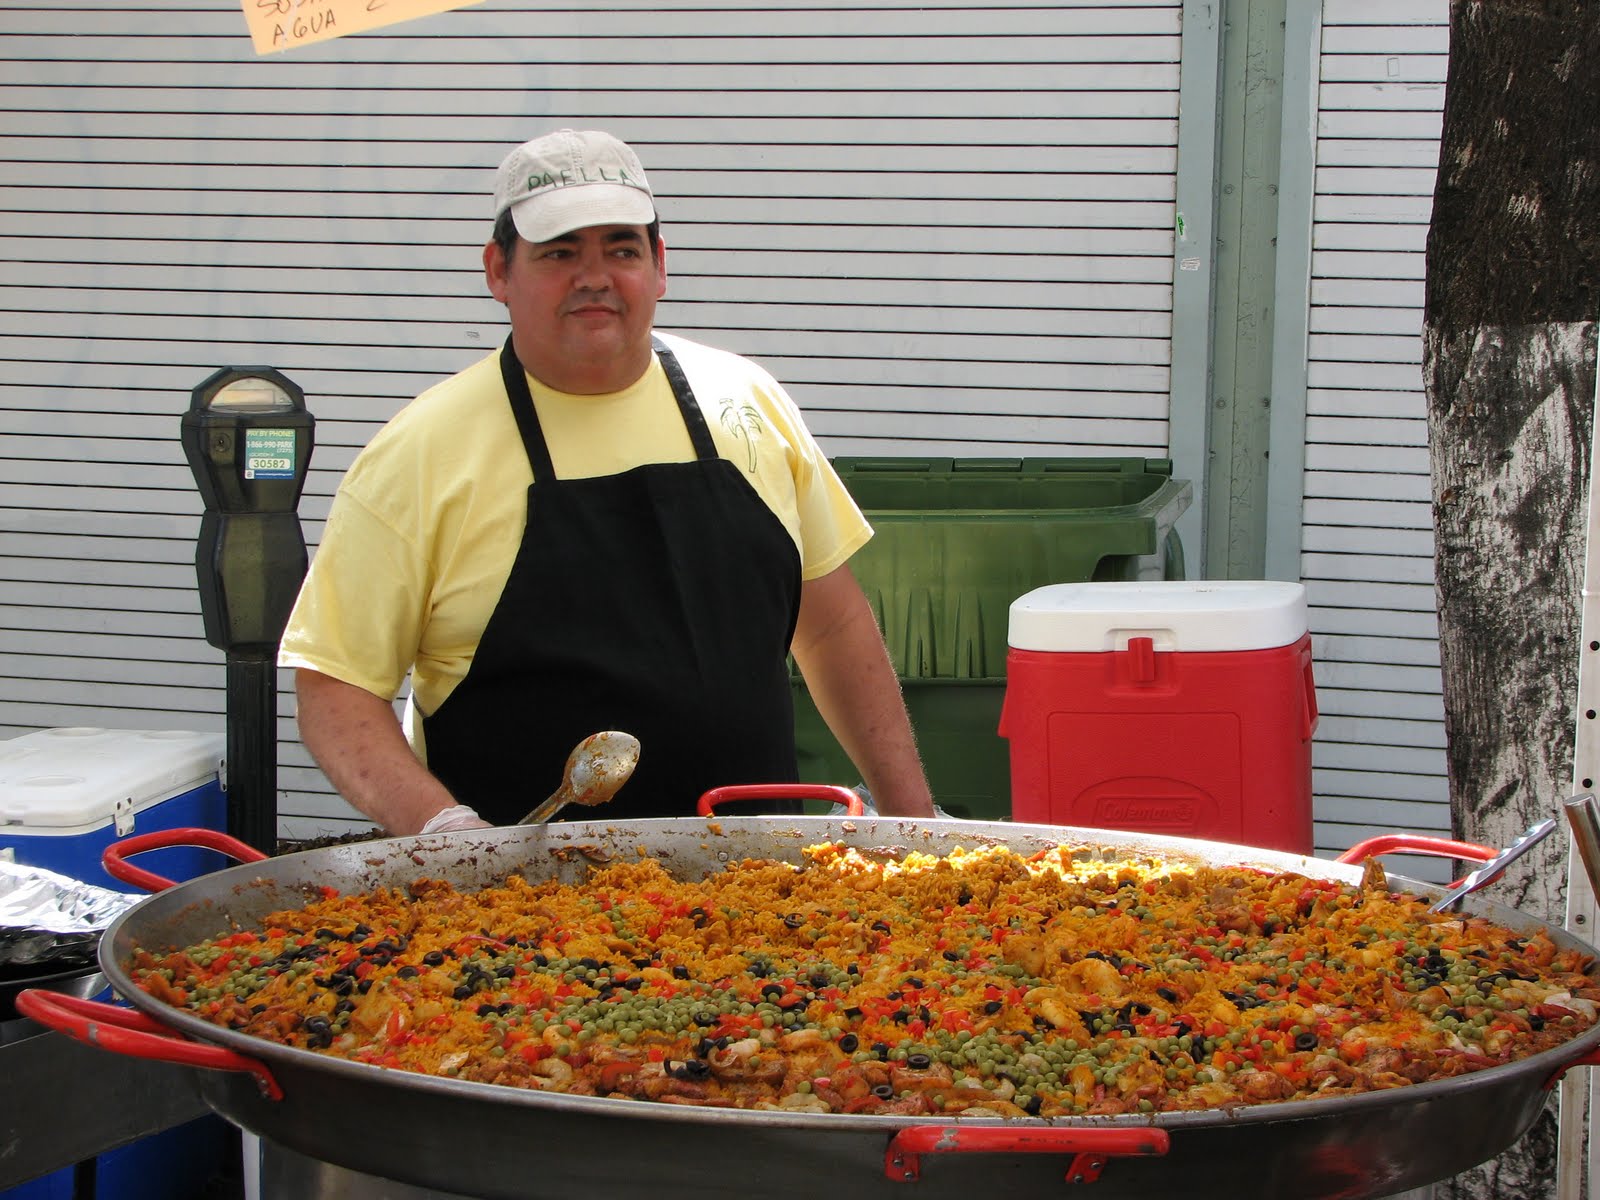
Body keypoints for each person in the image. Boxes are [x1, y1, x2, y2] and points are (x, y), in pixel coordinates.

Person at [279, 128, 935, 834]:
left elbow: (833, 625)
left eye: (621, 248)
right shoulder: (417, 455)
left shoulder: (747, 401)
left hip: (768, 894)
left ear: (659, 266)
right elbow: (335, 687)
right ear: (498, 270)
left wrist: (917, 819)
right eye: (559, 252)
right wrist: (444, 833)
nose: (594, 275)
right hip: (522, 914)